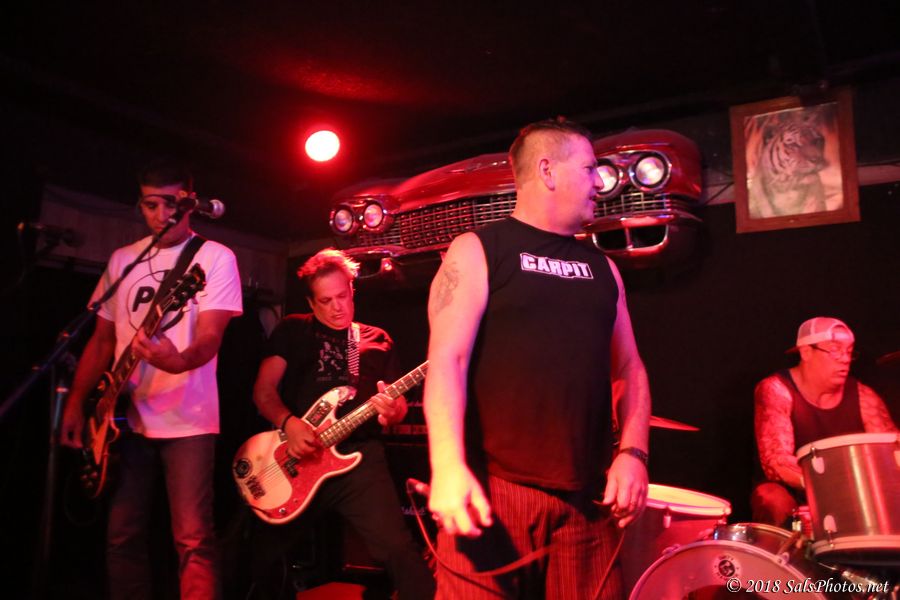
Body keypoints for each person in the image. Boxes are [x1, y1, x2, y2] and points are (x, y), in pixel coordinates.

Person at [423, 118, 651, 599]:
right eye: (589, 169)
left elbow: (628, 368)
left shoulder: (604, 269)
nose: (599, 183)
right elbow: (447, 361)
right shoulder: (478, 250)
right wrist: (447, 466)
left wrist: (633, 454)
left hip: (586, 501)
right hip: (494, 491)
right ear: (548, 170)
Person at [60, 158, 243, 599]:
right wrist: (77, 402)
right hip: (125, 421)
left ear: (189, 202)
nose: (162, 215)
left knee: (193, 540)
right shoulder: (123, 260)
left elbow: (210, 338)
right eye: (150, 205)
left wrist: (176, 361)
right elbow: (102, 341)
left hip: (189, 419)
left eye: (170, 203)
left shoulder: (214, 257)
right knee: (121, 536)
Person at [250, 248, 435, 600]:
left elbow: (395, 409)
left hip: (359, 460)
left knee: (398, 550)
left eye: (342, 296)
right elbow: (263, 392)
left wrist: (391, 412)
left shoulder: (377, 339)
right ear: (310, 302)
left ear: (352, 291)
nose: (337, 307)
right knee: (257, 553)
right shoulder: (293, 330)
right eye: (325, 300)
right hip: (297, 458)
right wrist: (289, 423)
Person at [752, 317, 897, 527]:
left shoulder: (864, 397)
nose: (845, 359)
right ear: (806, 352)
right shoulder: (776, 390)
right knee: (772, 498)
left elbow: (891, 452)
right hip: (796, 491)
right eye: (835, 350)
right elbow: (776, 462)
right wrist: (832, 489)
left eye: (849, 351)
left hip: (852, 489)